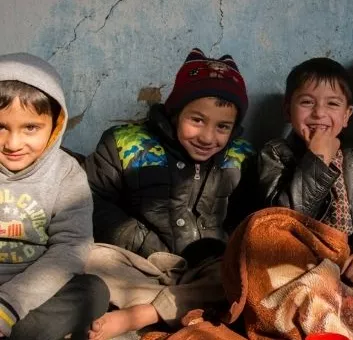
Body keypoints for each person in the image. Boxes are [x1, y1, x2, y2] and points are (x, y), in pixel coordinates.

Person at [84, 48, 256, 340]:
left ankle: (143, 314)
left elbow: (249, 216)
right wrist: (141, 241)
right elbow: (92, 198)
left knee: (237, 279)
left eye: (222, 127)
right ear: (175, 112)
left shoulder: (241, 157)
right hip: (142, 264)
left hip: (207, 270)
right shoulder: (126, 144)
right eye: (197, 120)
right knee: (88, 258)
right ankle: (180, 308)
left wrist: (224, 252)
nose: (207, 137)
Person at [258, 57, 353, 286]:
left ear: (346, 115)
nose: (318, 113)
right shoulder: (275, 154)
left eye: (332, 104)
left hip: (352, 265)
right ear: (287, 110)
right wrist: (317, 160)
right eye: (307, 102)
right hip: (299, 267)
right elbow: (281, 220)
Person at [0, 53, 108, 340]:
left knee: (94, 290)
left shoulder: (66, 174)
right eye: (0, 127)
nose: (12, 143)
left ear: (55, 126)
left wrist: (7, 307)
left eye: (30, 128)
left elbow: (70, 249)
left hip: (33, 294)